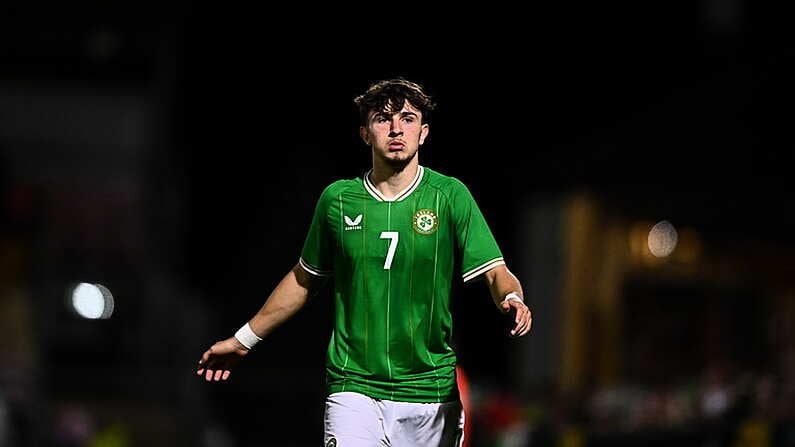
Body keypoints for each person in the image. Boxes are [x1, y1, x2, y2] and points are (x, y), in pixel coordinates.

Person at [196, 78, 532, 447]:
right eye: (382, 119)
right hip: (353, 387)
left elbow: (496, 271)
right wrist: (244, 339)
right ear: (364, 133)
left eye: (407, 118)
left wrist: (512, 299)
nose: (395, 128)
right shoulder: (338, 200)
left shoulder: (450, 196)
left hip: (430, 392)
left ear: (423, 132)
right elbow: (304, 279)